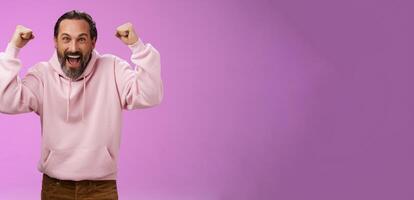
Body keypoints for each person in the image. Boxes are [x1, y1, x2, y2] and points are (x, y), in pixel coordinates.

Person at [0, 10, 163, 199]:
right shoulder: (42, 75)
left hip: (101, 188)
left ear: (93, 42)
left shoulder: (113, 68)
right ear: (55, 41)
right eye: (66, 39)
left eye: (82, 39)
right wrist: (13, 48)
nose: (73, 48)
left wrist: (137, 47)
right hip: (55, 187)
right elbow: (5, 100)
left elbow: (150, 94)